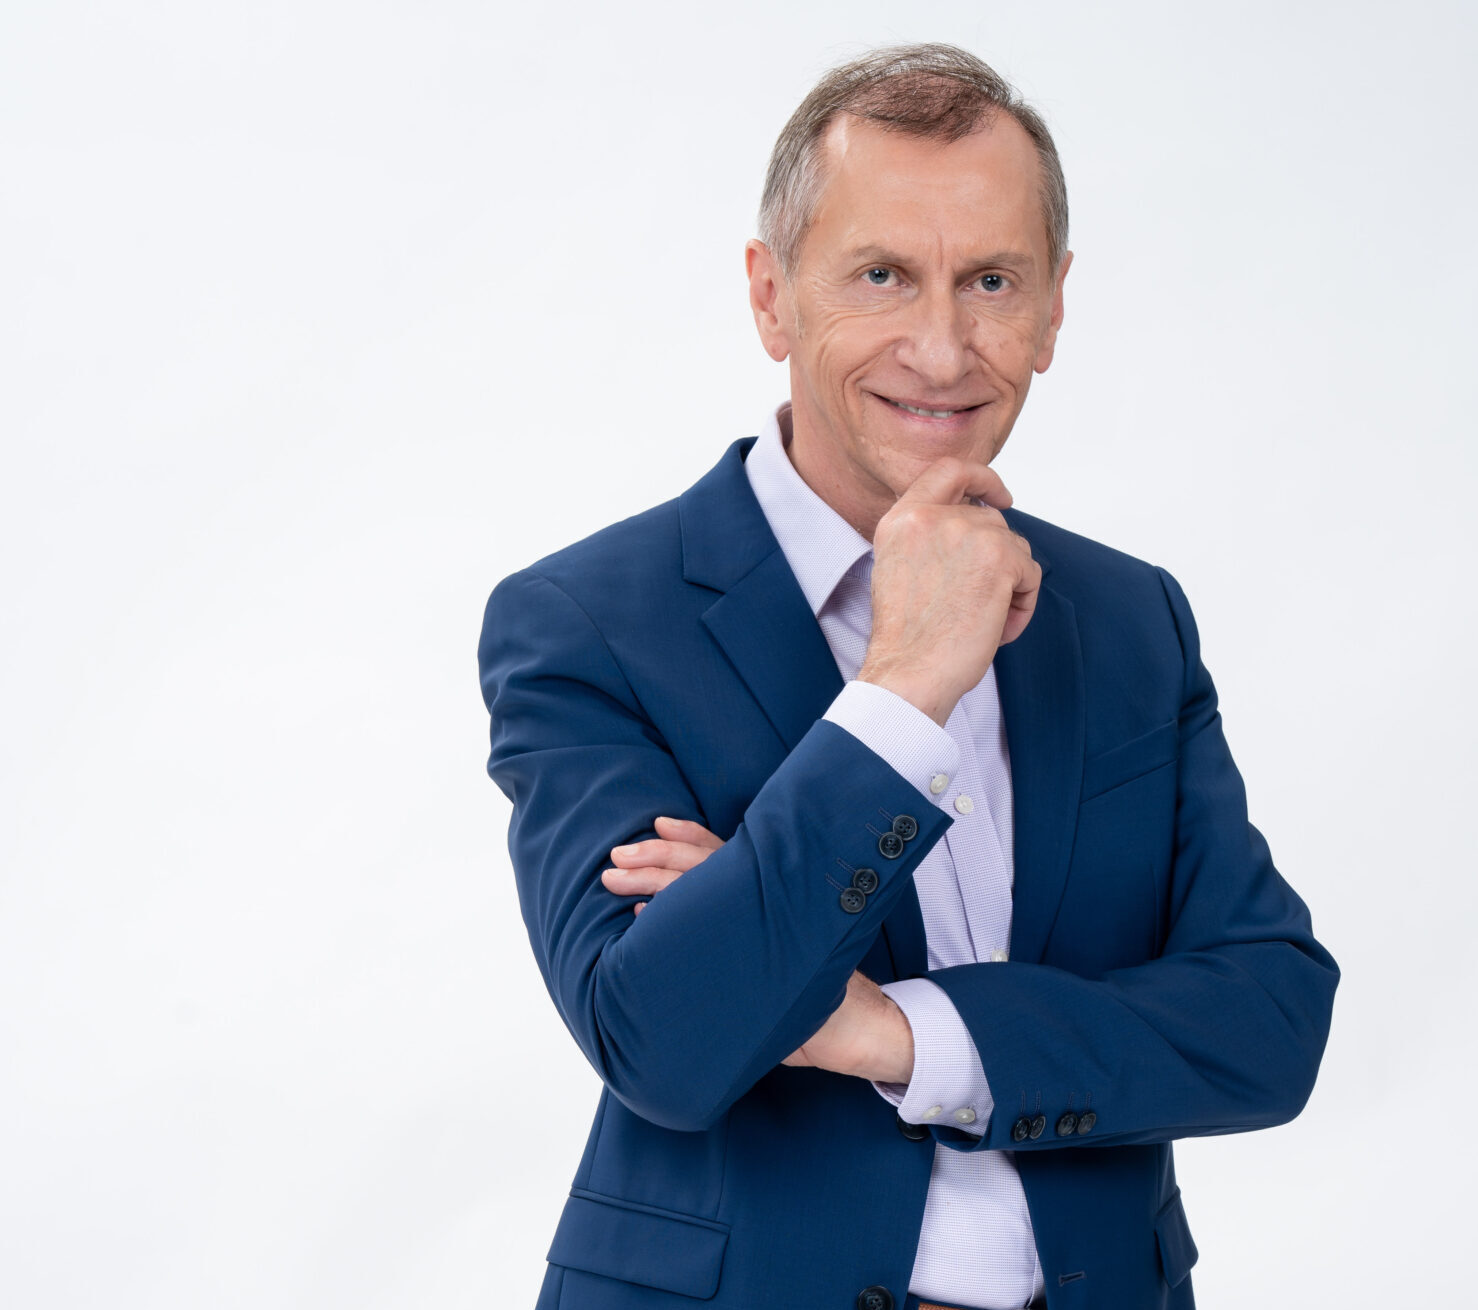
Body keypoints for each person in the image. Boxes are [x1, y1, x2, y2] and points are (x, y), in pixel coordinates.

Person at [476, 42, 1339, 1310]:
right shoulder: (589, 622)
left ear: (1053, 309)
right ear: (772, 297)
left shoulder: (1129, 618)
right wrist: (904, 686)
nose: (942, 351)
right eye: (881, 275)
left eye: (991, 280)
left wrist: (890, 1029)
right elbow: (663, 1038)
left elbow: (1269, 1021)